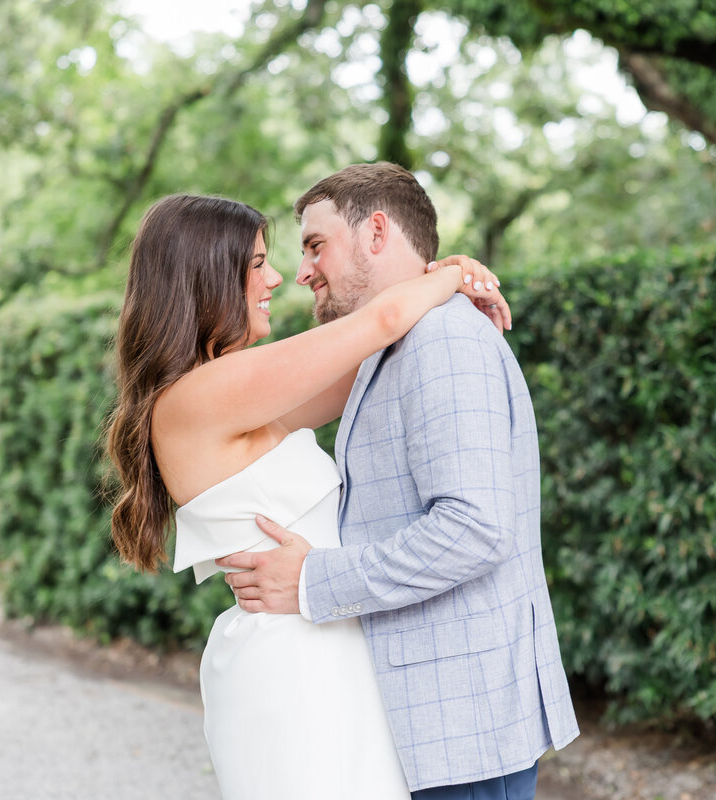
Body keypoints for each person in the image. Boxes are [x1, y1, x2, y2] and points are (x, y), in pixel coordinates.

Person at [105, 192, 509, 799]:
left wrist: (432, 286)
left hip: (325, 648)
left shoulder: (233, 394)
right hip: (292, 666)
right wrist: (453, 272)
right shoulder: (207, 393)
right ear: (207, 275)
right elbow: (377, 325)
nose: (275, 279)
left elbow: (371, 366)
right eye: (258, 263)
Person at [216, 163, 579, 799]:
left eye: (315, 245)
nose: (302, 272)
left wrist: (311, 579)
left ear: (377, 231)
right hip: (424, 723)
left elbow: (474, 529)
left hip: (459, 726)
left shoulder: (442, 339)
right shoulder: (398, 340)